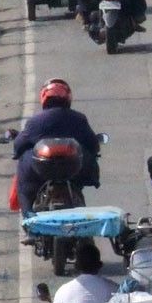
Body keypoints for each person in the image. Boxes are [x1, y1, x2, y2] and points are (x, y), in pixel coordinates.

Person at [14, 79, 101, 209]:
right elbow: (93, 145)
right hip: (74, 172)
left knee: (24, 163)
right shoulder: (79, 118)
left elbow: (18, 146)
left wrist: (17, 153)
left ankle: (27, 214)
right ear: (68, 98)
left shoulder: (35, 121)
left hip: (40, 171)